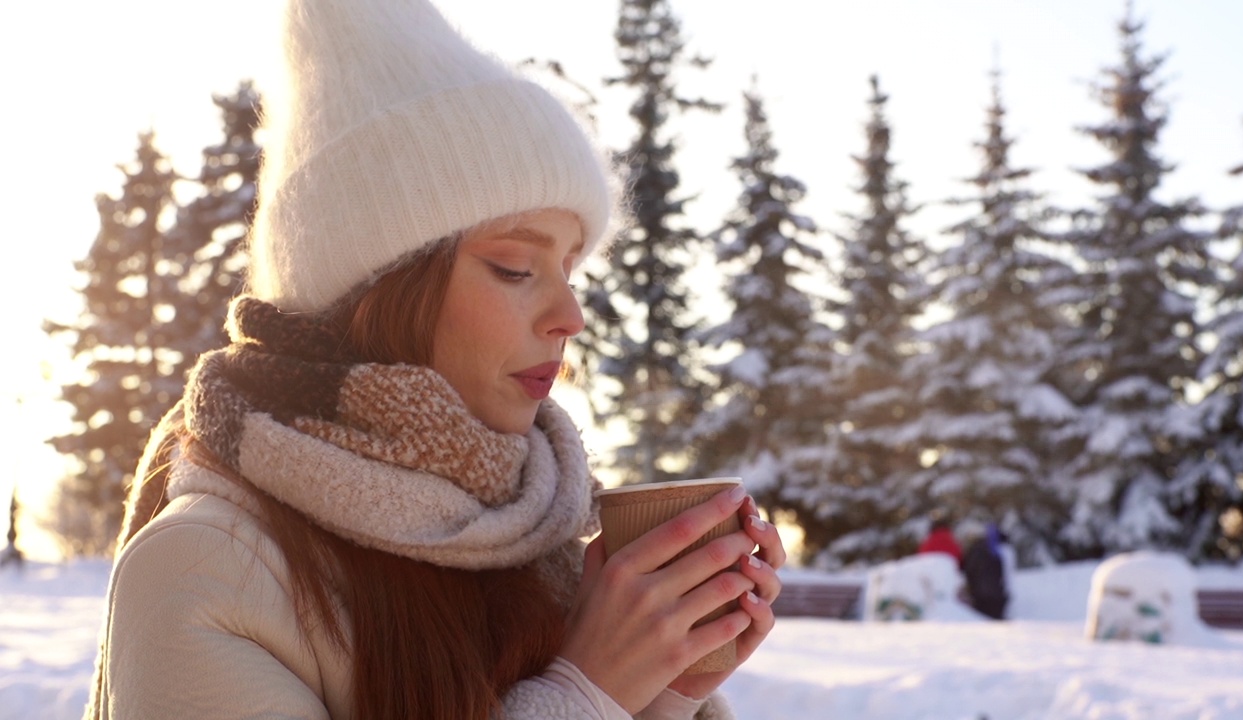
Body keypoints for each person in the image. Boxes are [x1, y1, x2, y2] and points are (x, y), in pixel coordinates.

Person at [83, 1, 786, 718]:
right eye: (516, 267)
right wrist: (587, 694)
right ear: (381, 289)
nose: (569, 318)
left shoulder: (545, 548)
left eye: (570, 272)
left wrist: (660, 687)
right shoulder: (204, 572)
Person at [961, 523, 1010, 620]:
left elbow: (969, 572)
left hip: (981, 597)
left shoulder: (974, 551)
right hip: (998, 596)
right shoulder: (996, 550)